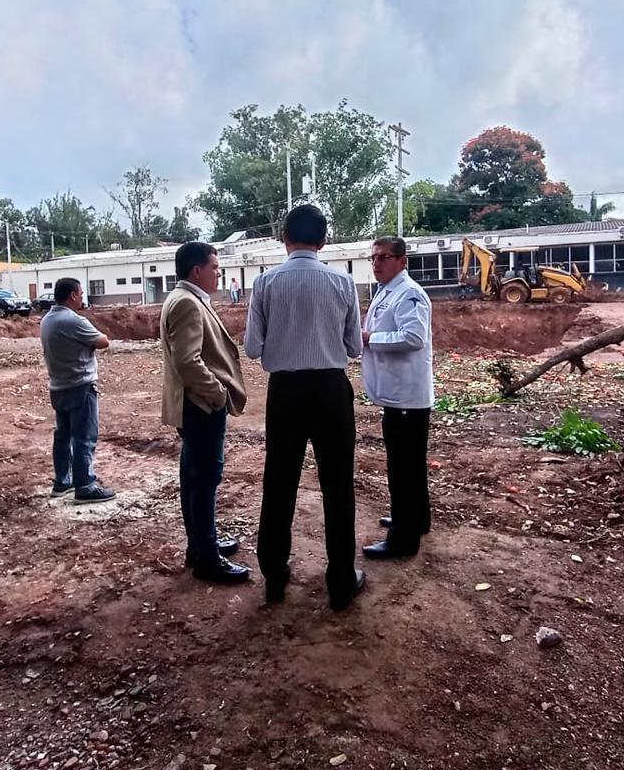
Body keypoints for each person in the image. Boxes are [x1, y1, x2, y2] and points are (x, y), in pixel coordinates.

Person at [245, 204, 366, 610]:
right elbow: (354, 348)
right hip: (332, 390)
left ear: (284, 238)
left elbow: (252, 348)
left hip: (286, 393)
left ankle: (275, 576)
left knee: (279, 484)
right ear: (324, 240)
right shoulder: (343, 282)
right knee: (337, 487)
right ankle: (341, 581)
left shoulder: (265, 283)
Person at [160, 242, 251, 584]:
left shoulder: (188, 298)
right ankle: (206, 558)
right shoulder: (186, 302)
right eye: (215, 267)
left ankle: (200, 545)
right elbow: (187, 361)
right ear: (197, 270)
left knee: (194, 478)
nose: (219, 272)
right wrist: (218, 394)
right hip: (200, 406)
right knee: (204, 481)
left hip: (194, 405)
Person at [360, 237, 434, 558]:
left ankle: (402, 540)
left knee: (403, 469)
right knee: (410, 466)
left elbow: (413, 337)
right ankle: (415, 519)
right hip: (397, 397)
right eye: (373, 258)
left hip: (406, 399)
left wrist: (370, 338)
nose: (377, 264)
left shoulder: (410, 294)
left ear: (402, 261)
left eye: (384, 257)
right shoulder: (389, 291)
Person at [40, 277, 117, 504]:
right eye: (81, 293)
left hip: (58, 386)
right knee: (84, 437)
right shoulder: (73, 320)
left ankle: (62, 481)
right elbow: (103, 341)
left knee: (63, 436)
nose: (83, 297)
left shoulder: (47, 320)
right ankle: (85, 485)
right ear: (73, 295)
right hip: (80, 386)